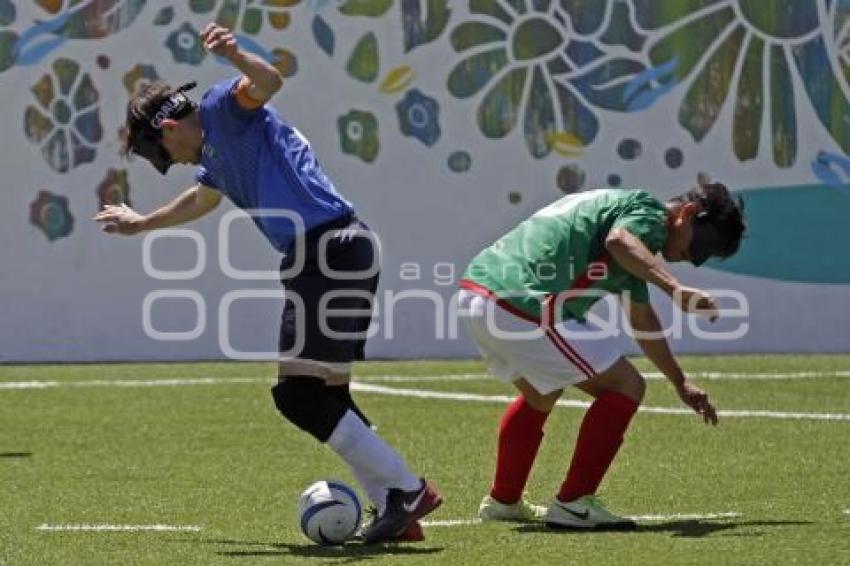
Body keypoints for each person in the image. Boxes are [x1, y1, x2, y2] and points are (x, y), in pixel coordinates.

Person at [94, 23, 441, 543]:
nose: (177, 162)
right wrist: (144, 223)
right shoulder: (214, 155)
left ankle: (406, 490)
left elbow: (268, 82)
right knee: (329, 393)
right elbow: (201, 199)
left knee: (297, 396)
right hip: (342, 249)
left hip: (327, 253)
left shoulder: (221, 109)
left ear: (169, 129)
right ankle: (394, 508)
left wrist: (234, 52)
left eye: (168, 155)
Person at [458, 181, 745, 529]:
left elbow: (641, 318)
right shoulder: (648, 216)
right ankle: (574, 503)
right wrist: (674, 288)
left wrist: (680, 381)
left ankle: (504, 501)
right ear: (686, 214)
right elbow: (620, 242)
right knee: (626, 386)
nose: (694, 259)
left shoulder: (634, 237)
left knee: (541, 391)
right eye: (699, 246)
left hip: (478, 294)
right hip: (520, 301)